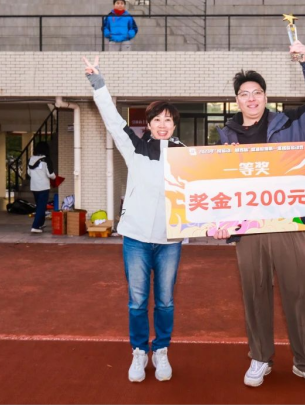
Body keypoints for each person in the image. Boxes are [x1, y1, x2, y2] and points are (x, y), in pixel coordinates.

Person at [212, 40, 305, 390]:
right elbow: (219, 187)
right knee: (254, 296)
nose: (251, 99)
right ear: (237, 100)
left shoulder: (290, 124)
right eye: (244, 94)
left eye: (257, 93)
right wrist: (220, 224)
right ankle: (260, 357)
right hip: (248, 231)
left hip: (289, 225)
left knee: (298, 294)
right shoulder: (226, 139)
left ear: (265, 97)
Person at [82, 55, 184, 383]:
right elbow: (113, 121)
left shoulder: (187, 155)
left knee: (165, 302)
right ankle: (140, 352)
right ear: (148, 123)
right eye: (157, 119)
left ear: (174, 125)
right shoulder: (135, 149)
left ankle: (161, 350)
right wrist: (98, 83)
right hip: (136, 239)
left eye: (168, 120)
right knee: (138, 302)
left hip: (170, 240)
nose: (163, 124)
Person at [27, 141, 55, 233]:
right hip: (43, 187)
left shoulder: (31, 159)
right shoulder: (46, 160)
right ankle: (35, 226)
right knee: (41, 207)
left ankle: (40, 224)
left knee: (39, 206)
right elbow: (50, 174)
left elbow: (29, 173)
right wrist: (55, 177)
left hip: (34, 186)